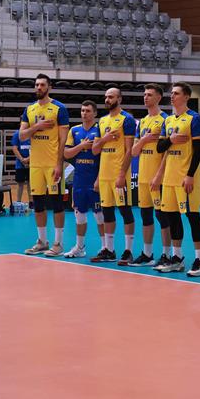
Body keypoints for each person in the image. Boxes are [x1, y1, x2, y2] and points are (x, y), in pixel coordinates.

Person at [153, 82, 200, 275]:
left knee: (192, 216)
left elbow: (199, 151)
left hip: (185, 177)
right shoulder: (167, 121)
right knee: (172, 217)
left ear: (186, 97)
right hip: (169, 178)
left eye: (176, 93)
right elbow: (159, 148)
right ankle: (177, 257)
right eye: (172, 93)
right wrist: (171, 140)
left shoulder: (194, 119)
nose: (172, 96)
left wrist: (190, 175)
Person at [21, 74, 70, 256]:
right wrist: (37, 126)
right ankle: (42, 241)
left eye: (42, 85)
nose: (39, 88)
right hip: (36, 165)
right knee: (38, 204)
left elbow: (63, 140)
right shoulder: (29, 109)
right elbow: (22, 136)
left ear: (49, 87)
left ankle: (58, 243)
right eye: (36, 85)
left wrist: (59, 164)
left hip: (52, 164)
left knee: (57, 204)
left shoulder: (59, 109)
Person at [91, 87, 137, 264]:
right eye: (106, 97)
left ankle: (128, 251)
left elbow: (129, 151)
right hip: (104, 176)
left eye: (111, 97)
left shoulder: (127, 119)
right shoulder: (102, 121)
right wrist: (105, 139)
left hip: (119, 175)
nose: (107, 100)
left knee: (125, 211)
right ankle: (109, 250)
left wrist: (122, 174)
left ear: (119, 99)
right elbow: (95, 150)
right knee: (107, 212)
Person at [131, 83, 170, 267]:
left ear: (159, 98)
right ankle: (147, 254)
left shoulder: (166, 120)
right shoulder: (142, 122)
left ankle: (167, 254)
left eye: (149, 94)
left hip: (158, 178)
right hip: (143, 177)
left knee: (162, 217)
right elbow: (134, 151)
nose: (145, 97)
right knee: (146, 216)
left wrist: (159, 176)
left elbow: (168, 153)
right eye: (144, 94)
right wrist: (145, 139)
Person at [63, 101, 103, 258]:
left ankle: (105, 248)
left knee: (100, 215)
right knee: (79, 215)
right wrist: (82, 146)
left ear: (95, 113)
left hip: (96, 178)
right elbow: (66, 154)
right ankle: (79, 247)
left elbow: (104, 156)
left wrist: (99, 178)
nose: (84, 113)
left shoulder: (100, 129)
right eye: (82, 110)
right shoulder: (74, 130)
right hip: (79, 179)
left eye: (88, 111)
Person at [9, 127, 30, 204]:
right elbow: (15, 148)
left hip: (32, 163)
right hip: (20, 164)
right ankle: (18, 202)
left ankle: (31, 202)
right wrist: (22, 160)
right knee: (20, 183)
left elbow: (36, 149)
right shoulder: (17, 134)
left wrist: (28, 159)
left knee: (30, 183)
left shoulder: (32, 133)